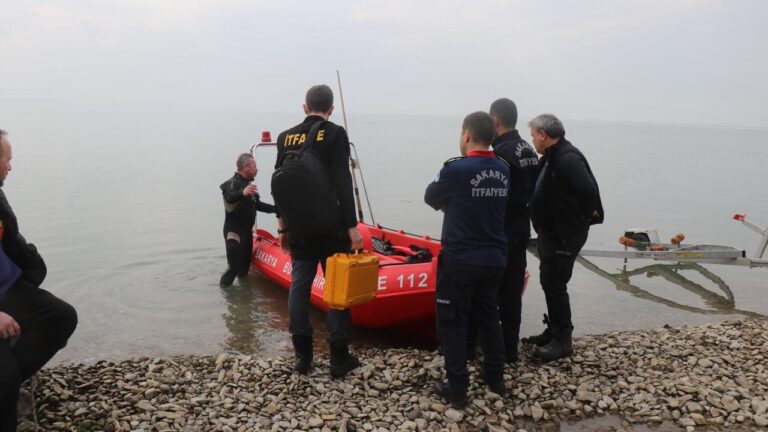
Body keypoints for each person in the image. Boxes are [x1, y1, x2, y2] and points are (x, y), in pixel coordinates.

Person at [275, 84, 363, 379]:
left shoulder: (285, 137)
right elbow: (342, 183)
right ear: (331, 109)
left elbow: (281, 189)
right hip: (331, 228)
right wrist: (352, 227)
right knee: (336, 290)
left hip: (298, 227)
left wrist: (282, 227)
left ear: (304, 107)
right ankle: (339, 358)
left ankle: (303, 358)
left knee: (299, 288)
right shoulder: (335, 133)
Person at [424, 112, 509, 409]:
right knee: (489, 317)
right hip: (495, 258)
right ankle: (496, 379)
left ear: (467, 135)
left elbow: (430, 197)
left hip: (461, 259)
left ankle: (458, 389)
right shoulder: (503, 168)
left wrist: (454, 202)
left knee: (452, 322)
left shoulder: (455, 168)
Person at [0, 129, 78, 431]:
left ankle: (8, 381)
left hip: (12, 290)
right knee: (4, 379)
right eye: (8, 159)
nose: (10, 166)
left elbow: (12, 240)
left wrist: (31, 262)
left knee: (61, 318)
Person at [524, 114, 603, 362]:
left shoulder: (567, 158)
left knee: (555, 284)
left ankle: (563, 342)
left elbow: (588, 191)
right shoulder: (551, 156)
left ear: (543, 135)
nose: (533, 140)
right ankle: (554, 330)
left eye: (533, 135)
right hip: (552, 233)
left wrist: (574, 221)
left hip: (564, 235)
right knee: (549, 281)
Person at [467, 98, 539, 363]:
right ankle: (509, 348)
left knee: (485, 291)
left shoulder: (500, 153)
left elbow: (489, 194)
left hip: (499, 230)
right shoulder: (528, 149)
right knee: (512, 292)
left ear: (495, 121)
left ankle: (478, 347)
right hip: (522, 227)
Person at [220, 153, 277, 287]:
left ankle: (243, 302)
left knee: (244, 269)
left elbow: (259, 206)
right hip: (234, 233)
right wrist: (242, 193)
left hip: (247, 233)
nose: (257, 170)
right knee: (233, 268)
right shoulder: (232, 183)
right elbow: (229, 197)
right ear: (246, 168)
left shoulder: (249, 185)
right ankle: (225, 296)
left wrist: (277, 209)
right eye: (254, 167)